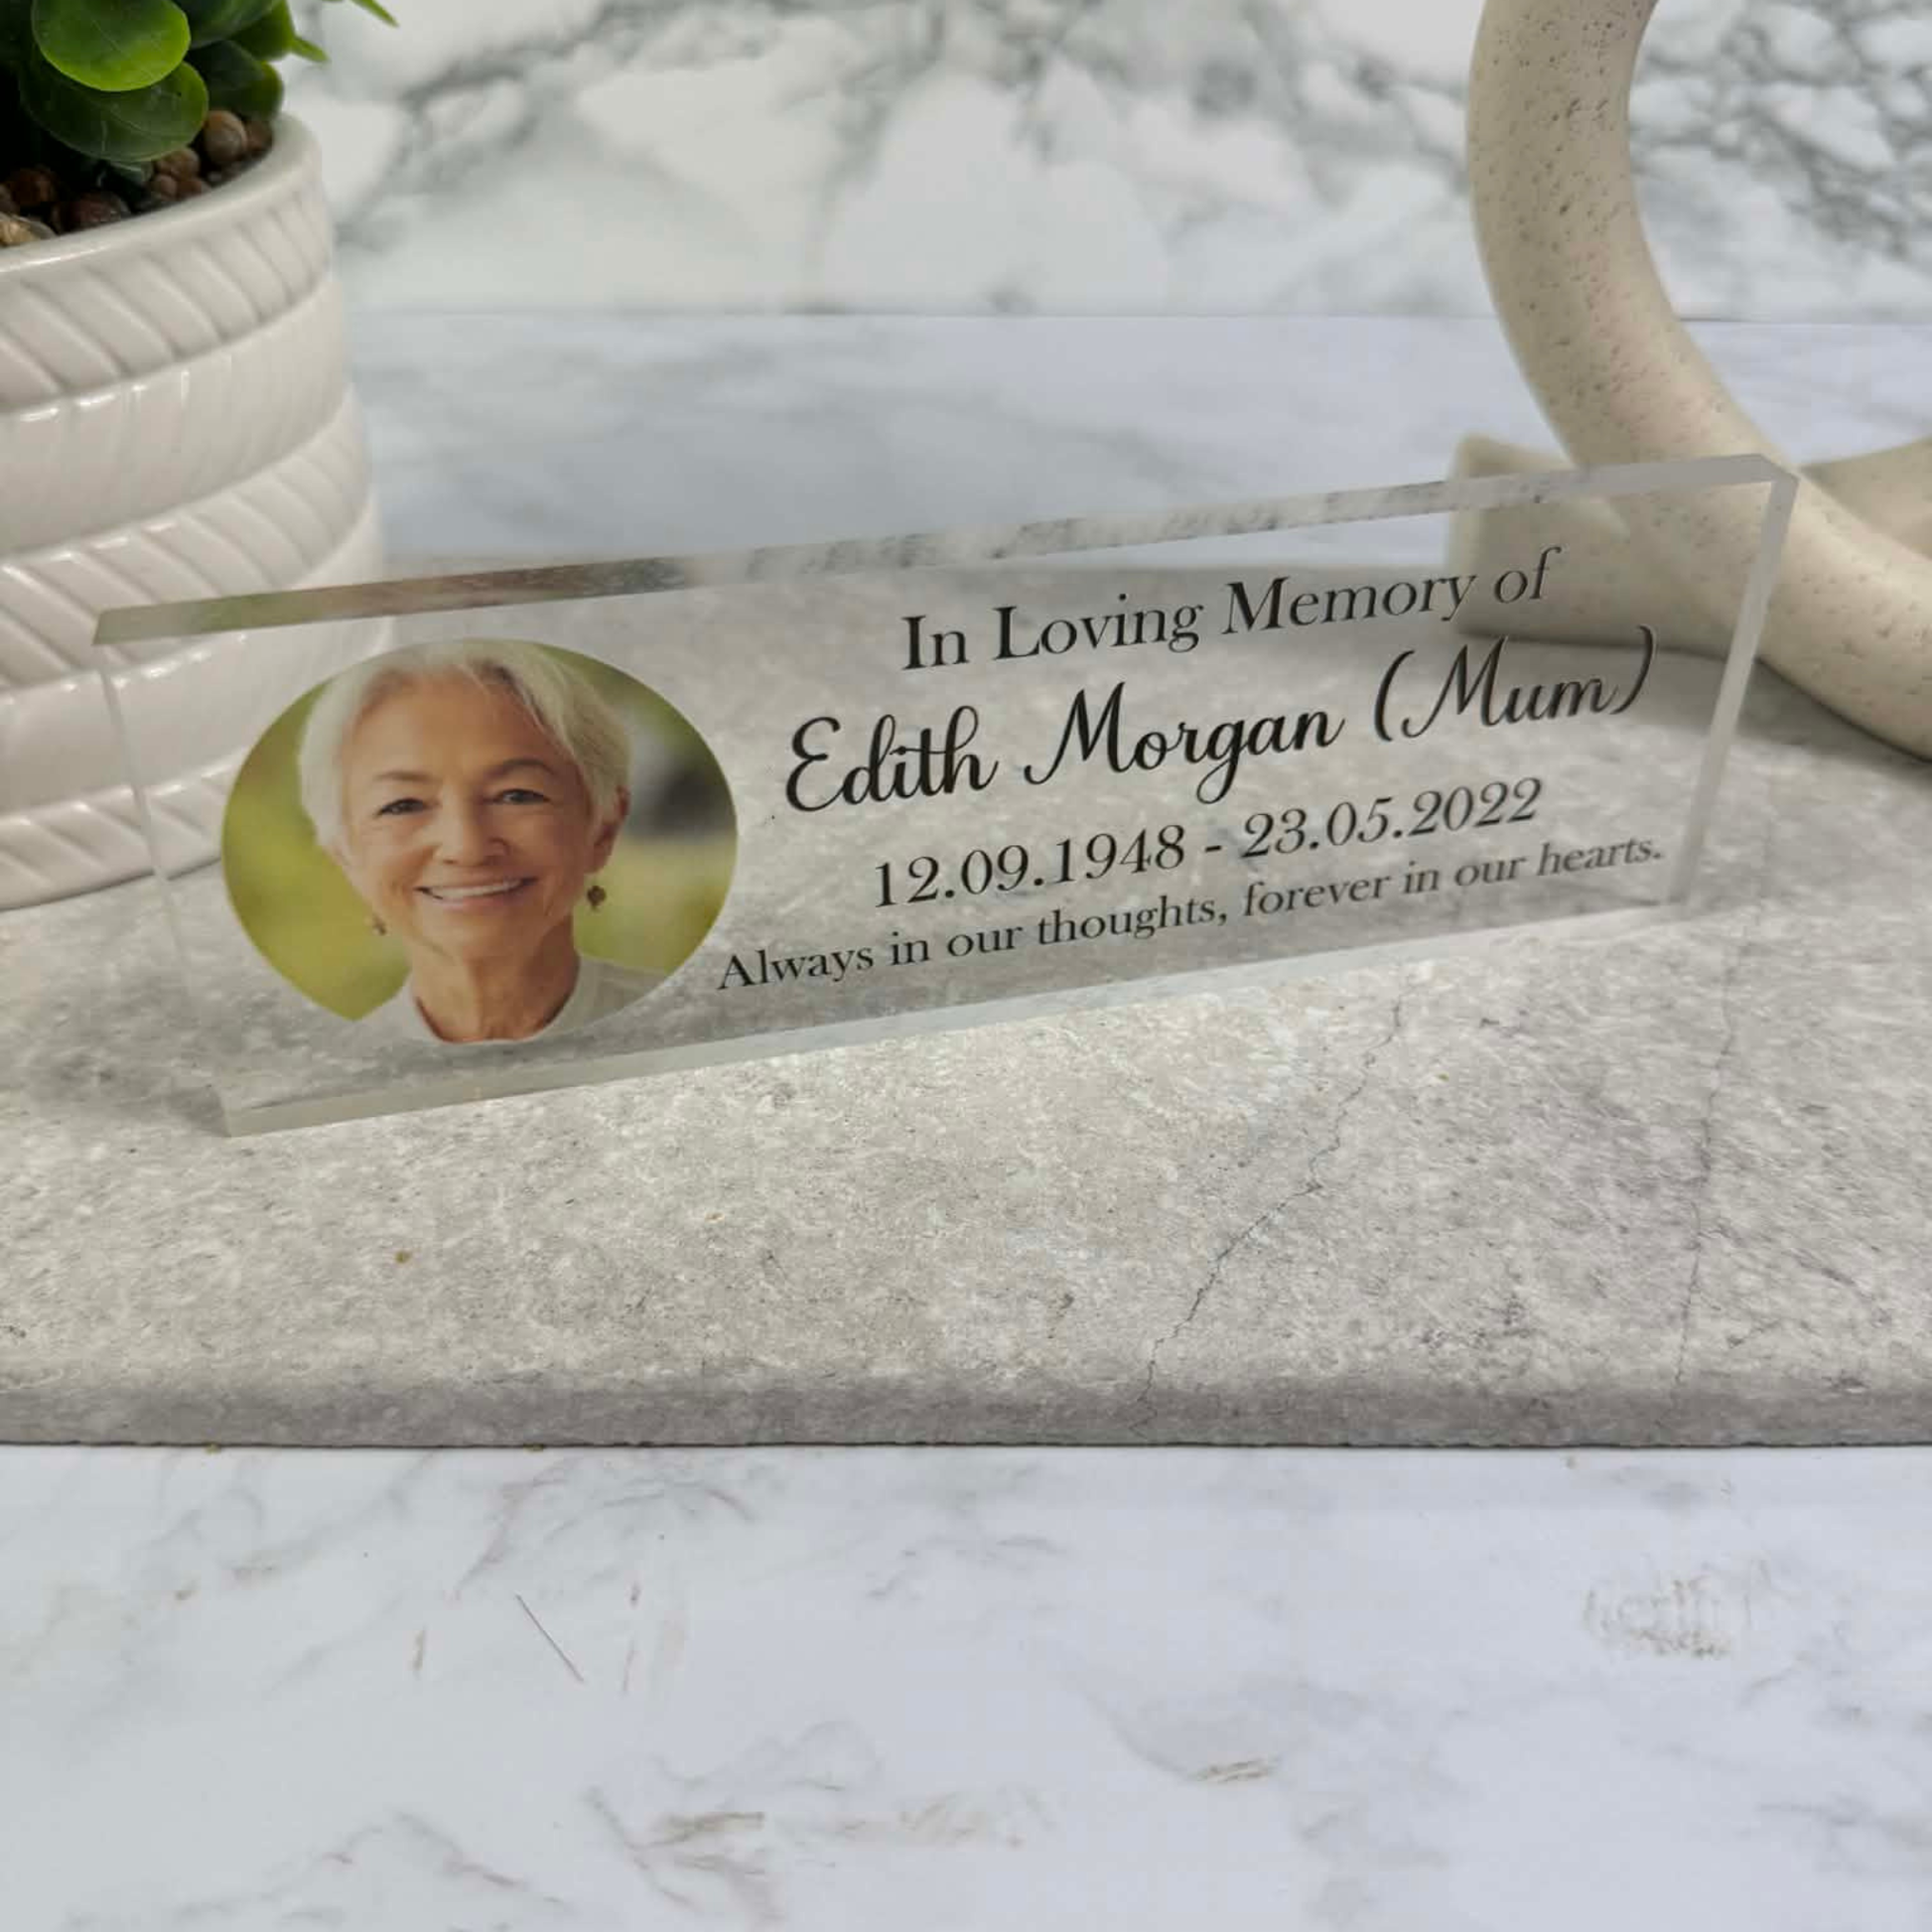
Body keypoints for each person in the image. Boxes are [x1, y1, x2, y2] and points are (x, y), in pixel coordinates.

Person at [298, 638, 663, 1043]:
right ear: (344, 853)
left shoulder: (688, 1020)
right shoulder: (332, 1067)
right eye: (403, 805)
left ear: (603, 827)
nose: (466, 847)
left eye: (516, 796)